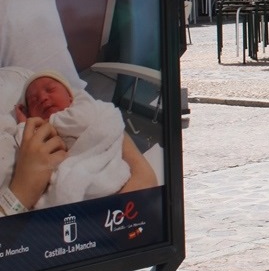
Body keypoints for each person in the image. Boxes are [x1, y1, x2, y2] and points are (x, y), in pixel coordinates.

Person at [0, 70, 157, 215]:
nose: (42, 98)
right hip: (62, 185)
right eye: (33, 100)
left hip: (102, 168)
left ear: (70, 96)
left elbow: (86, 119)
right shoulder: (37, 127)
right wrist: (24, 123)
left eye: (50, 90)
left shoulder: (82, 108)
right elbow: (26, 146)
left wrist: (51, 120)